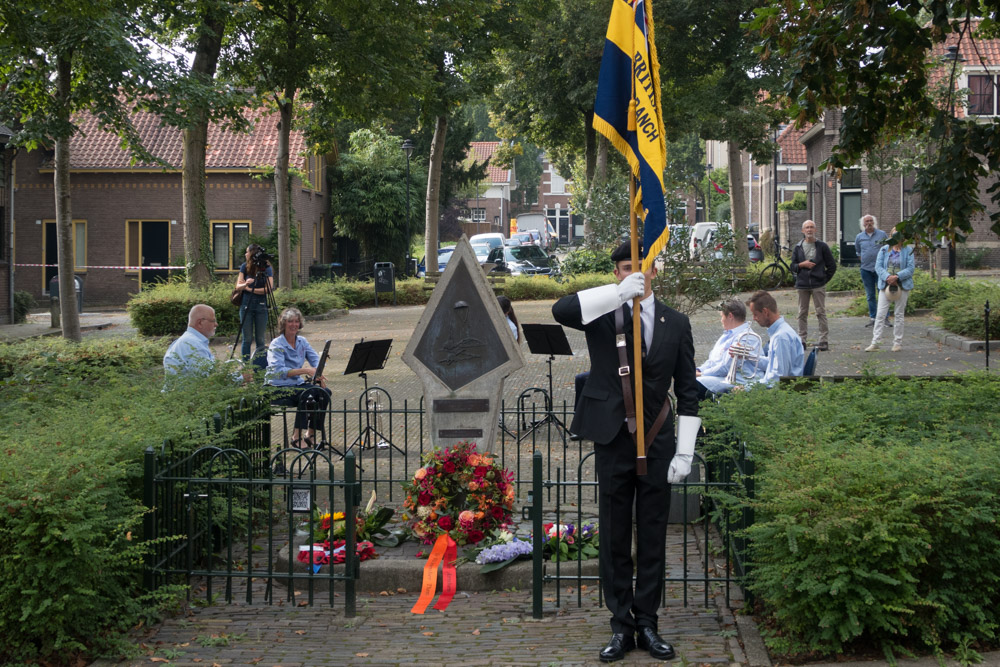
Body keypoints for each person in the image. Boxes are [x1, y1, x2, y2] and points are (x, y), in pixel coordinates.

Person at [552, 241, 700, 663]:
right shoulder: (602, 314)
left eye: (639, 266)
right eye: (623, 268)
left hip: (657, 441)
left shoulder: (677, 322)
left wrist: (685, 452)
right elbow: (560, 311)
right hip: (613, 439)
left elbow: (688, 390)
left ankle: (648, 623)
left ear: (654, 271)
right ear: (616, 273)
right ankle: (620, 626)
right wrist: (615, 293)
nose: (632, 273)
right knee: (615, 534)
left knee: (652, 534)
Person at [266, 307, 331, 448]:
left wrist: (318, 374)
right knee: (306, 394)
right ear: (283, 324)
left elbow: (316, 361)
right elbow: (277, 371)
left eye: (296, 321)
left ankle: (310, 434)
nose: (294, 325)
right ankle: (296, 437)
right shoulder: (276, 344)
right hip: (277, 386)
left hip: (296, 384)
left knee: (324, 392)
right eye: (290, 321)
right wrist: (305, 370)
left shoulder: (302, 341)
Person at [696, 300, 762, 398]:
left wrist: (702, 374)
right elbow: (712, 361)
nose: (721, 320)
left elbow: (726, 367)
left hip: (739, 381)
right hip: (722, 377)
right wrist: (698, 369)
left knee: (692, 385)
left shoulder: (746, 337)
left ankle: (693, 412)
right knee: (687, 381)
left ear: (730, 316)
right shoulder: (727, 334)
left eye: (722, 316)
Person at [865, 228, 915, 352]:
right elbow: (878, 266)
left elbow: (910, 268)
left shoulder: (908, 250)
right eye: (894, 234)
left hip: (902, 286)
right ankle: (875, 342)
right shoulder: (884, 249)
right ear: (891, 235)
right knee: (880, 314)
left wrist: (897, 276)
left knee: (899, 314)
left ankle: (897, 343)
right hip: (885, 286)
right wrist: (887, 277)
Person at [790, 219, 837, 350]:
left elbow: (832, 266)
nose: (809, 230)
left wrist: (823, 279)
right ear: (802, 231)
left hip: (818, 285)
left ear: (815, 230)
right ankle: (801, 340)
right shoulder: (798, 247)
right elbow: (792, 266)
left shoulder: (822, 246)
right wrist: (801, 265)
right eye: (807, 228)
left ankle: (823, 340)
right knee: (802, 313)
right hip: (802, 285)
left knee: (820, 312)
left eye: (811, 227)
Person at [747, 290, 804, 385]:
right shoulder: (781, 332)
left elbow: (778, 378)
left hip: (781, 392)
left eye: (755, 314)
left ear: (765, 312)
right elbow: (772, 363)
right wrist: (747, 356)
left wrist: (748, 387)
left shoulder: (781, 337)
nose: (754, 318)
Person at [235, 243, 274, 361]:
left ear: (252, 254)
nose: (245, 254)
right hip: (246, 304)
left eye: (247, 252)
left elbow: (269, 289)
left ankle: (260, 365)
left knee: (260, 339)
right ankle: (245, 365)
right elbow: (238, 286)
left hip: (261, 306)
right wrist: (246, 285)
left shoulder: (266, 268)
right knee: (246, 338)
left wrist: (248, 289)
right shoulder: (244, 267)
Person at [163, 304, 218, 380]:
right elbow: (209, 378)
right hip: (186, 391)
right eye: (213, 321)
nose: (216, 324)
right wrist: (239, 377)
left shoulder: (190, 340)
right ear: (200, 323)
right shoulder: (192, 343)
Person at [854, 214, 889, 327]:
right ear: (863, 224)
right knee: (870, 295)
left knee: (883, 293)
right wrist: (864, 260)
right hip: (866, 269)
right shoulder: (859, 237)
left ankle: (885, 318)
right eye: (866, 221)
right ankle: (873, 318)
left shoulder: (882, 234)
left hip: (880, 270)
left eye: (870, 221)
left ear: (874, 222)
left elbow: (888, 249)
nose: (869, 223)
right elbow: (858, 251)